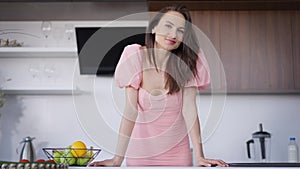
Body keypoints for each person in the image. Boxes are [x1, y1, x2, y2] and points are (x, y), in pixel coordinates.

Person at [89, 5, 228, 167]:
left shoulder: (188, 62)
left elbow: (190, 109)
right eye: (168, 26)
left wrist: (200, 156)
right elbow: (130, 111)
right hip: (140, 154)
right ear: (154, 28)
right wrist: (117, 159)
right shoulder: (135, 56)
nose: (173, 34)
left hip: (177, 154)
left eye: (181, 30)